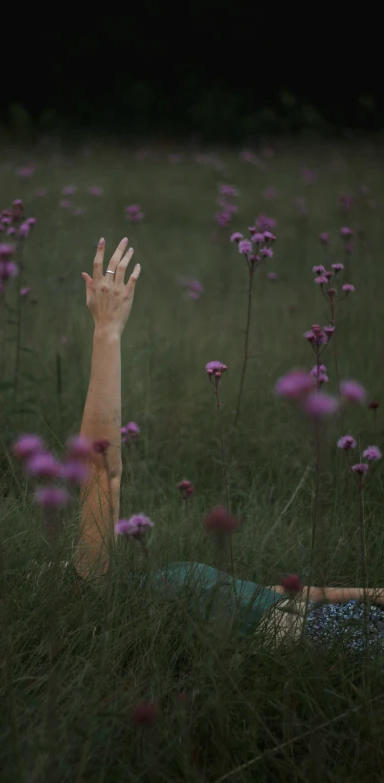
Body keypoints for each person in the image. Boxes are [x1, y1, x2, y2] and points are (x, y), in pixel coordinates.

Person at [73, 237, 384, 650]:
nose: (42, 565)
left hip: (324, 618)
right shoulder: (93, 587)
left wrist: (372, 596)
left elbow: (274, 594)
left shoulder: (141, 583)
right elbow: (99, 465)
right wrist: (106, 332)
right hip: (318, 635)